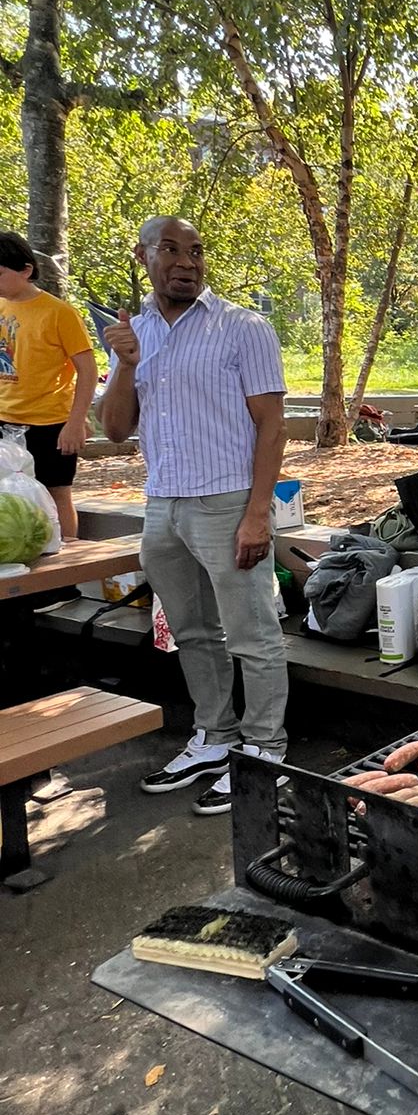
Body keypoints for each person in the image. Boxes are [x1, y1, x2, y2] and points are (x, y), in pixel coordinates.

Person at [100, 217, 290, 815]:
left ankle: (266, 752)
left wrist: (258, 514)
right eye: (170, 250)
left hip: (228, 501)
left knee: (253, 635)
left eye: (196, 251)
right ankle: (216, 736)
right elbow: (114, 429)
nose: (186, 262)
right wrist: (125, 364)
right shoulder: (133, 334)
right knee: (192, 632)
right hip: (163, 505)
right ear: (144, 257)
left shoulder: (243, 327)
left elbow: (272, 426)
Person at [0, 231, 98, 541]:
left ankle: (67, 563)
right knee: (9, 493)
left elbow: (88, 370)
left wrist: (75, 421)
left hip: (50, 423)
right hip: (5, 419)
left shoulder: (59, 313)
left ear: (25, 270)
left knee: (57, 493)